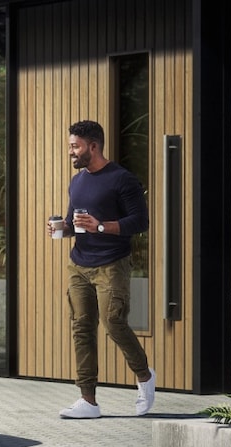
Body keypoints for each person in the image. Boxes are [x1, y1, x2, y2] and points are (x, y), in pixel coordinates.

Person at [54, 119, 155, 419]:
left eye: (75, 146)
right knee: (82, 328)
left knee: (114, 324)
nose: (71, 151)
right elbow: (76, 224)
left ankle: (145, 376)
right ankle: (88, 400)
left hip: (112, 264)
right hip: (79, 264)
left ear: (93, 146)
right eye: (70, 145)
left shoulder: (123, 179)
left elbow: (140, 222)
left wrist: (101, 225)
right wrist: (63, 227)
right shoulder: (77, 181)